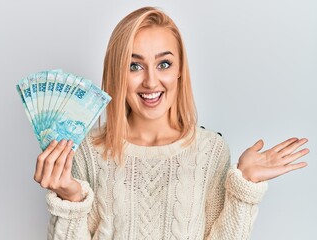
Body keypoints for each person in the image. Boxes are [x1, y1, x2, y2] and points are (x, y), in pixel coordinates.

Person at [33, 6, 309, 239]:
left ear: (179, 71)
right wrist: (70, 200)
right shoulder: (85, 153)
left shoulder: (211, 150)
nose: (151, 81)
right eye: (134, 66)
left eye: (164, 64)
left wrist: (245, 186)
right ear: (117, 72)